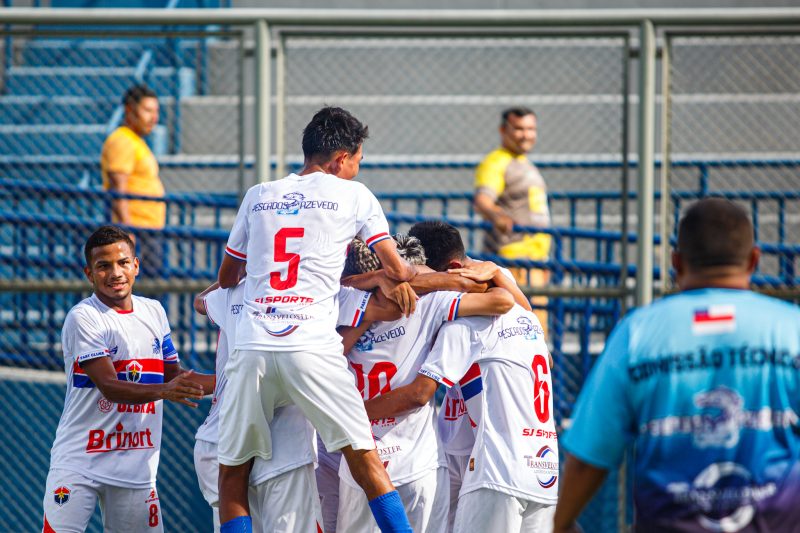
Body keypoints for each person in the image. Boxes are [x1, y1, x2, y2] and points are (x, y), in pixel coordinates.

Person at [216, 107, 417, 533]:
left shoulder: (259, 194)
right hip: (313, 346)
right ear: (342, 158)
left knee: (233, 474)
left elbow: (226, 277)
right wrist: (382, 276)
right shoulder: (356, 195)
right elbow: (399, 271)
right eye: (358, 160)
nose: (356, 168)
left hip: (253, 345)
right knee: (365, 460)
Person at [554, 198, 800, 533]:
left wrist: (560, 524)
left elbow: (588, 458)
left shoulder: (638, 332)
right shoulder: (791, 329)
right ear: (754, 259)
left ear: (677, 262)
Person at [335, 234, 516, 533]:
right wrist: (466, 276)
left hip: (361, 461)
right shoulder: (430, 301)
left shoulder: (339, 305)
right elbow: (502, 300)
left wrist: (374, 296)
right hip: (418, 464)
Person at [41, 225, 212, 532]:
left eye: (122, 263)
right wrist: (166, 389)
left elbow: (176, 376)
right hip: (80, 462)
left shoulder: (154, 311)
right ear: (88, 274)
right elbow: (109, 387)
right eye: (103, 266)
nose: (115, 272)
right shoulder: (84, 317)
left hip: (136, 468)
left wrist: (233, 378)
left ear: (136, 265)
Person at [409, 220, 540, 532]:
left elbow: (419, 392)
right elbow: (528, 318)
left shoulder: (466, 319)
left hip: (490, 460)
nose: (424, 286)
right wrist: (494, 271)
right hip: (529, 457)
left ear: (454, 270)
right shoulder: (515, 309)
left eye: (429, 277)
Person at [419, 299, 558, 532]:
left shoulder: (468, 325)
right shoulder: (528, 321)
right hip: (544, 470)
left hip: (499, 471)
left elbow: (418, 393)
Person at [193, 281, 321, 532]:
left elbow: (200, 302)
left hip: (219, 441)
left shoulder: (231, 292)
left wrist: (237, 270)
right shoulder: (314, 289)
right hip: (283, 446)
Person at [473, 107, 551, 335]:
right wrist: (498, 216)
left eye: (530, 129)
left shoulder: (524, 162)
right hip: (513, 259)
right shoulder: (496, 162)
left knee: (536, 329)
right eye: (518, 129)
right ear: (503, 130)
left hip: (536, 260)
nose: (525, 134)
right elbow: (482, 200)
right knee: (520, 330)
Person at [100, 84, 166, 278]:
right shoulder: (122, 140)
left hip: (148, 230)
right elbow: (118, 189)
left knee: (151, 293)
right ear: (129, 109)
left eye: (156, 111)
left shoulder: (136, 141)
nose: (153, 117)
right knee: (142, 290)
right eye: (147, 110)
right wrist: (127, 234)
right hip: (136, 232)